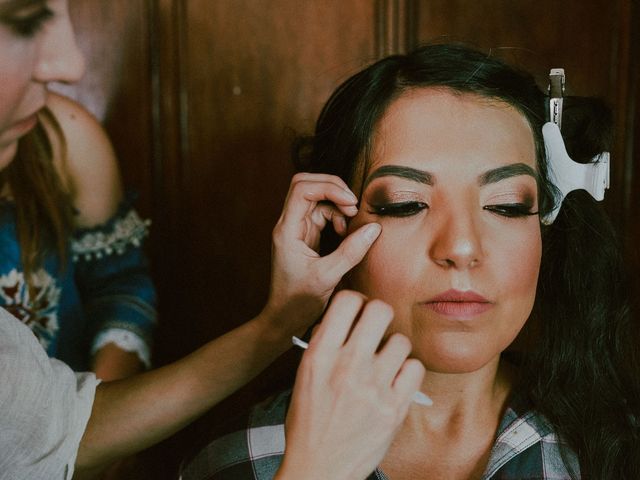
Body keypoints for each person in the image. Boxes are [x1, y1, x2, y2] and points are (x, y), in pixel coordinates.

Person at [1, 1, 427, 479]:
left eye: (508, 205)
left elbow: (49, 432)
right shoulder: (236, 462)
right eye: (24, 20)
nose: (69, 65)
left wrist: (280, 321)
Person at [182, 44, 640, 479]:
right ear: (333, 222)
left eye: (507, 204)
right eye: (406, 203)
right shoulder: (239, 463)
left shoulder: (617, 452)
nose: (461, 246)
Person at [0, 0, 155, 382]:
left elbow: (118, 288)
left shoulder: (64, 140)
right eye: (26, 20)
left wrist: (98, 409)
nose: (73, 65)